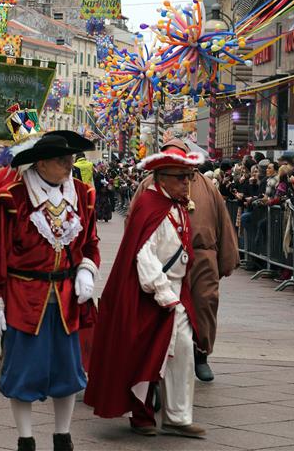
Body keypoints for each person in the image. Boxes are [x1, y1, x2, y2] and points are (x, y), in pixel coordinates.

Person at [0, 131, 100, 451]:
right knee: (23, 372)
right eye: (62, 160)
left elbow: (90, 244)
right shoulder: (13, 197)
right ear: (41, 162)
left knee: (68, 372)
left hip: (68, 298)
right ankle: (25, 438)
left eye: (71, 160)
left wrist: (86, 268)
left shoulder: (82, 195)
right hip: (23, 297)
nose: (70, 166)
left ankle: (63, 436)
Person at [84, 145, 205, 439]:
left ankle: (177, 417)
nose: (187, 183)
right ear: (162, 178)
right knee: (146, 355)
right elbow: (144, 255)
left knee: (182, 351)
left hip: (176, 291)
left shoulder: (175, 205)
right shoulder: (149, 205)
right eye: (181, 177)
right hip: (149, 294)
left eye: (189, 177)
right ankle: (141, 415)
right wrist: (163, 292)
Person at [129, 139, 239, 382]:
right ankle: (156, 360)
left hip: (202, 257)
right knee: (160, 310)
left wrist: (226, 257)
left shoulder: (207, 186)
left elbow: (223, 221)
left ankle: (201, 355)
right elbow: (134, 222)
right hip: (163, 260)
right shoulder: (149, 185)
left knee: (204, 304)